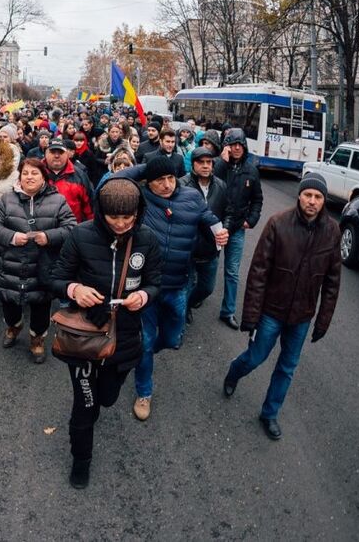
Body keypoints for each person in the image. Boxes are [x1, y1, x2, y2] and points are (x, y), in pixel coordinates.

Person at [49, 178, 162, 489]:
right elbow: (57, 277)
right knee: (85, 406)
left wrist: (145, 296)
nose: (123, 224)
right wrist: (76, 289)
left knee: (107, 398)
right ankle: (81, 460)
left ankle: (99, 401)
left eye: (129, 217)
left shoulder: (147, 239)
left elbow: (155, 281)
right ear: (101, 211)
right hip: (84, 336)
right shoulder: (81, 235)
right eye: (115, 218)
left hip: (125, 335)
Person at [222, 173, 341, 440]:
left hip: (302, 316)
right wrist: (251, 316)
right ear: (299, 195)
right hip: (271, 311)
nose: (312, 201)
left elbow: (332, 282)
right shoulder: (278, 224)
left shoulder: (332, 231)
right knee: (256, 357)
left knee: (287, 367)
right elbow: (258, 273)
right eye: (308, 195)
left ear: (324, 201)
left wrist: (323, 320)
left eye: (318, 197)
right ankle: (234, 372)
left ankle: (270, 413)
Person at [113, 156, 227, 420]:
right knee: (146, 341)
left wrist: (221, 233)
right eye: (159, 180)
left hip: (178, 284)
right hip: (145, 287)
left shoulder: (192, 198)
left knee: (173, 338)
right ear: (147, 182)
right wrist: (148, 167)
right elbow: (112, 181)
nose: (166, 184)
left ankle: (145, 352)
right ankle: (144, 391)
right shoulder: (139, 197)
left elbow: (210, 219)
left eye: (170, 178)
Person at [0, 158, 76, 363]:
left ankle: (37, 340)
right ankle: (13, 326)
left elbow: (71, 226)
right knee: (9, 304)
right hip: (10, 267)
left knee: (41, 309)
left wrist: (49, 237)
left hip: (42, 268)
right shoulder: (8, 200)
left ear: (43, 176)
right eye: (25, 173)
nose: (29, 177)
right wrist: (11, 237)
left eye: (34, 173)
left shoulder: (58, 200)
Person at [213, 128, 264, 330]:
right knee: (206, 268)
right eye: (232, 144)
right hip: (215, 227)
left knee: (232, 272)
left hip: (236, 229)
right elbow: (208, 185)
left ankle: (228, 311)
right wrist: (221, 162)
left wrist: (249, 221)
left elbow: (257, 200)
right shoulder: (219, 165)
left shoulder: (251, 170)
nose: (236, 148)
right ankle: (195, 298)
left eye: (239, 144)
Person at [182, 147, 228, 322]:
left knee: (207, 288)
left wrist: (225, 229)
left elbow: (228, 212)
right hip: (188, 249)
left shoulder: (221, 185)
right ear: (193, 164)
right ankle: (180, 322)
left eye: (209, 162)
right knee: (184, 288)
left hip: (210, 250)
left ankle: (188, 304)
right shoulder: (182, 185)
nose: (205, 166)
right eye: (201, 162)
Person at [45, 139, 93, 223]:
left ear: (67, 154)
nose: (57, 156)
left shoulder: (80, 175)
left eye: (61, 152)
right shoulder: (36, 173)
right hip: (43, 231)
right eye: (52, 152)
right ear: (45, 154)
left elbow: (90, 207)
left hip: (73, 229)